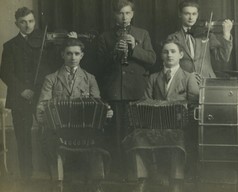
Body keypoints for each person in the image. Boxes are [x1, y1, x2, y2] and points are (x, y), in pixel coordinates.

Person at [36, 38, 113, 192]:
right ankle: (58, 183)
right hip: (59, 129)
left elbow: (98, 103)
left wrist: (106, 111)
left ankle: (96, 182)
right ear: (62, 55)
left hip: (84, 129)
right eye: (69, 53)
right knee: (51, 142)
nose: (73, 57)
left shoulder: (90, 78)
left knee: (99, 139)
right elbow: (42, 104)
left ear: (82, 55)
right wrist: (43, 118)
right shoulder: (51, 78)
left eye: (76, 53)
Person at [124, 39, 199, 192]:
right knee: (137, 136)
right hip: (155, 125)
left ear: (181, 55)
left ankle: (176, 180)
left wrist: (180, 109)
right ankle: (142, 179)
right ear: (161, 56)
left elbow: (194, 103)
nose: (169, 55)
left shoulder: (189, 77)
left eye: (173, 52)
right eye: (165, 52)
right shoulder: (153, 77)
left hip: (179, 125)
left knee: (179, 137)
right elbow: (145, 101)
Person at [96, 0, 156, 177]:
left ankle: (135, 173)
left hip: (136, 91)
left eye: (128, 13)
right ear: (115, 15)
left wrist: (135, 47)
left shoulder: (142, 34)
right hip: (114, 92)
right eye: (121, 13)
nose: (124, 17)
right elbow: (99, 66)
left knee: (135, 133)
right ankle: (117, 172)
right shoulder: (105, 37)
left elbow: (152, 59)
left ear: (133, 14)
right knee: (115, 133)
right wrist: (114, 50)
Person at [0, 7, 51, 182]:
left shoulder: (45, 42)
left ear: (35, 21)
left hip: (42, 96)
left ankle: (52, 173)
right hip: (20, 98)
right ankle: (26, 177)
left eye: (30, 21)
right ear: (17, 24)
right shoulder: (10, 45)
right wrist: (22, 90)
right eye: (23, 22)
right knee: (23, 138)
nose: (27, 25)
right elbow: (6, 72)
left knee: (50, 134)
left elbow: (54, 65)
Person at [167, 0, 233, 78]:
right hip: (184, 83)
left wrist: (226, 34)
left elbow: (223, 57)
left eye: (194, 14)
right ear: (180, 14)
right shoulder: (173, 38)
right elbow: (170, 66)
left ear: (197, 15)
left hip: (207, 81)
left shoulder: (206, 34)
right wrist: (188, 76)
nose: (191, 18)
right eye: (187, 14)